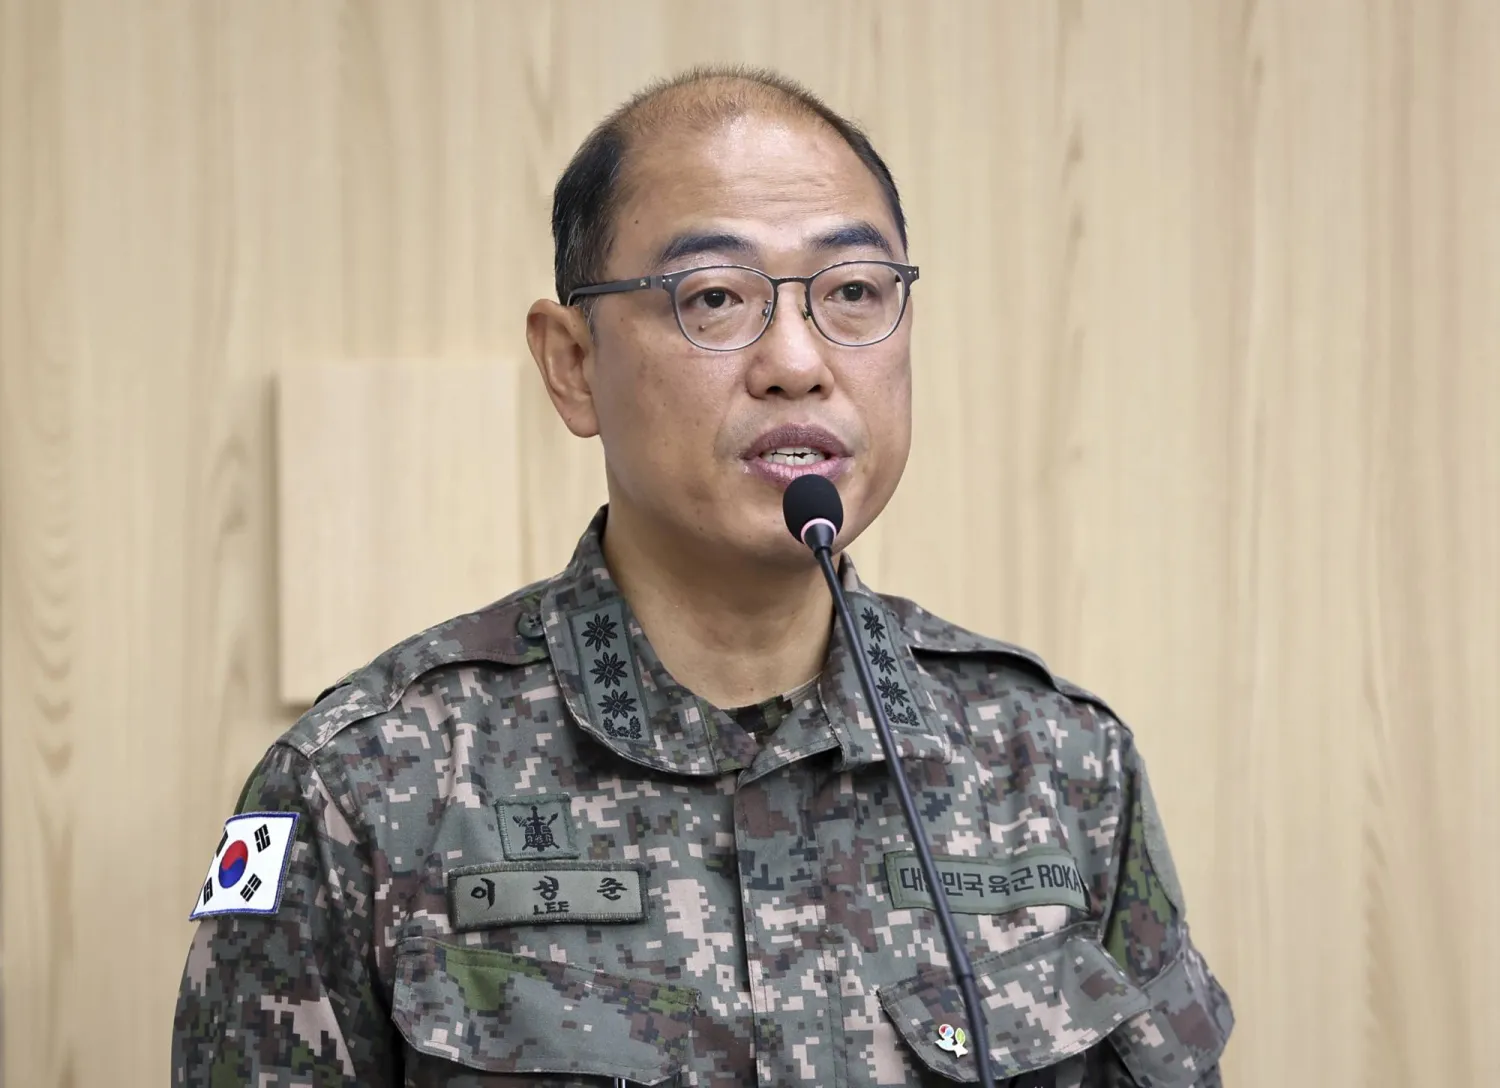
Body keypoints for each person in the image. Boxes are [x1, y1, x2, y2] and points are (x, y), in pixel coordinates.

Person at [172, 65, 1233, 1087]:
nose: (798, 360)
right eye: (717, 296)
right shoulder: (363, 784)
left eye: (855, 291)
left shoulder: (1059, 768)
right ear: (573, 363)